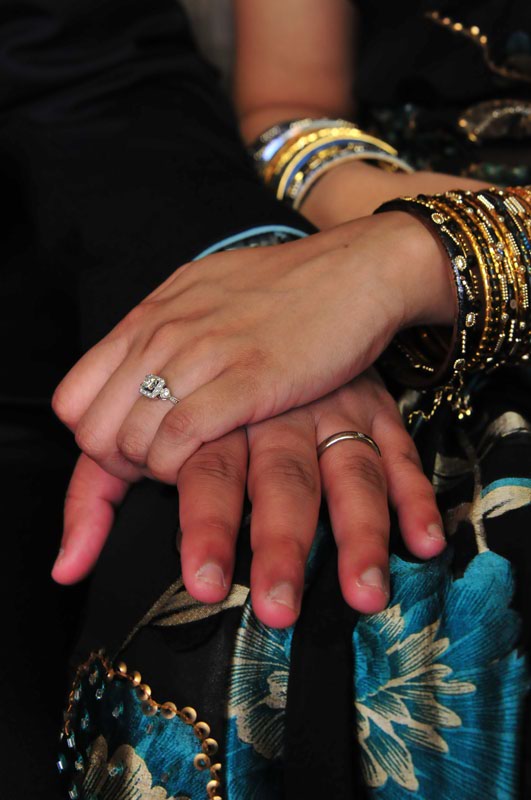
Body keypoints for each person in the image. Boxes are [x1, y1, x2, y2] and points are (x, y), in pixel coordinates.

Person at [3, 1, 528, 799]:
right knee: (233, 554)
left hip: (382, 262)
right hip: (357, 230)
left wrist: (426, 256)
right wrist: (286, 293)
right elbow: (289, 109)